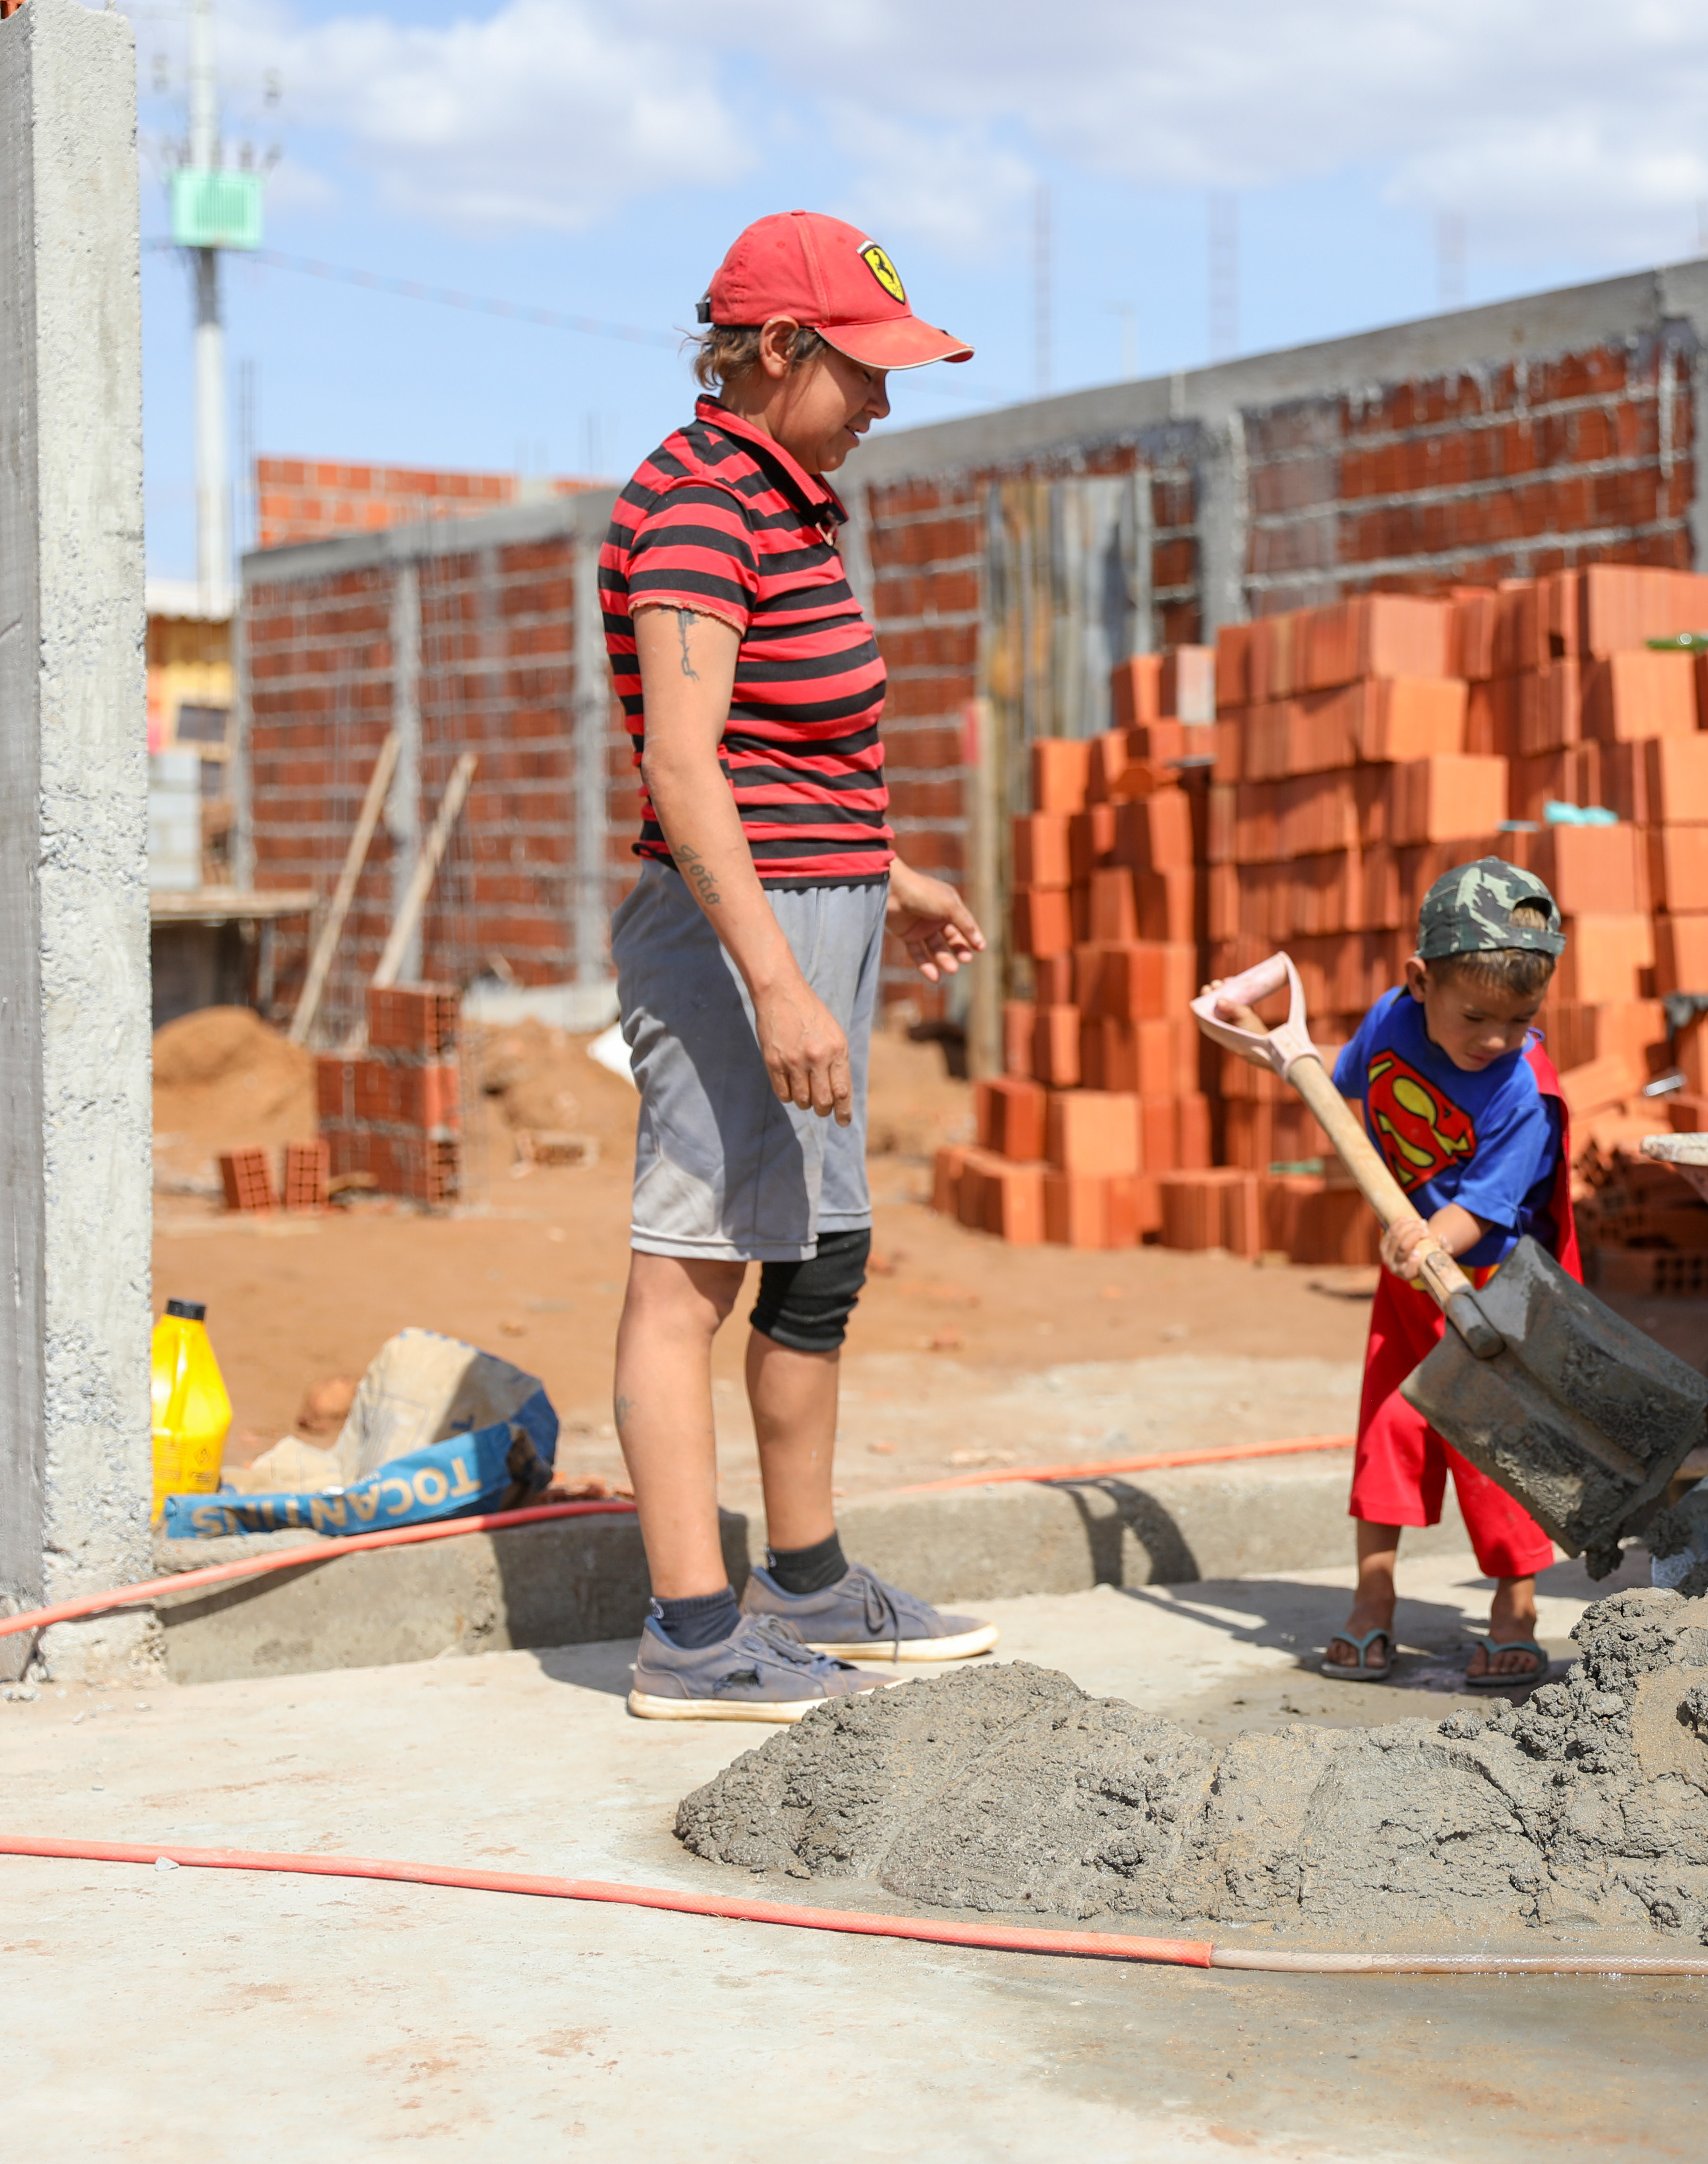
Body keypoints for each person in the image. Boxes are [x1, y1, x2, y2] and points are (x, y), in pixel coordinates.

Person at [605, 211, 1000, 1722]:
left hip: (811, 920)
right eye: (865, 371)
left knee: (819, 1255)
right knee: (692, 1270)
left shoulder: (782, 506)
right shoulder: (700, 508)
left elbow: (784, 761)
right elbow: (687, 767)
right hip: (734, 950)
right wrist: (776, 980)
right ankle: (694, 1637)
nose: (884, 404)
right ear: (777, 348)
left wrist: (885, 876)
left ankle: (810, 1582)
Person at [1210, 862, 1579, 1688]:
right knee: (1388, 1432)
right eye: (1476, 1016)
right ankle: (1372, 1600)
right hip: (1413, 1282)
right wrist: (1248, 1030)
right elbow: (1327, 1083)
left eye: (1520, 1020)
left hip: (1494, 1289)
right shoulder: (1390, 1024)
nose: (1496, 1038)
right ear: (1419, 982)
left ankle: (1514, 1610)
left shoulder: (1523, 1091)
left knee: (1496, 1454)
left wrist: (1425, 1238)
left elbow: (1486, 1207)